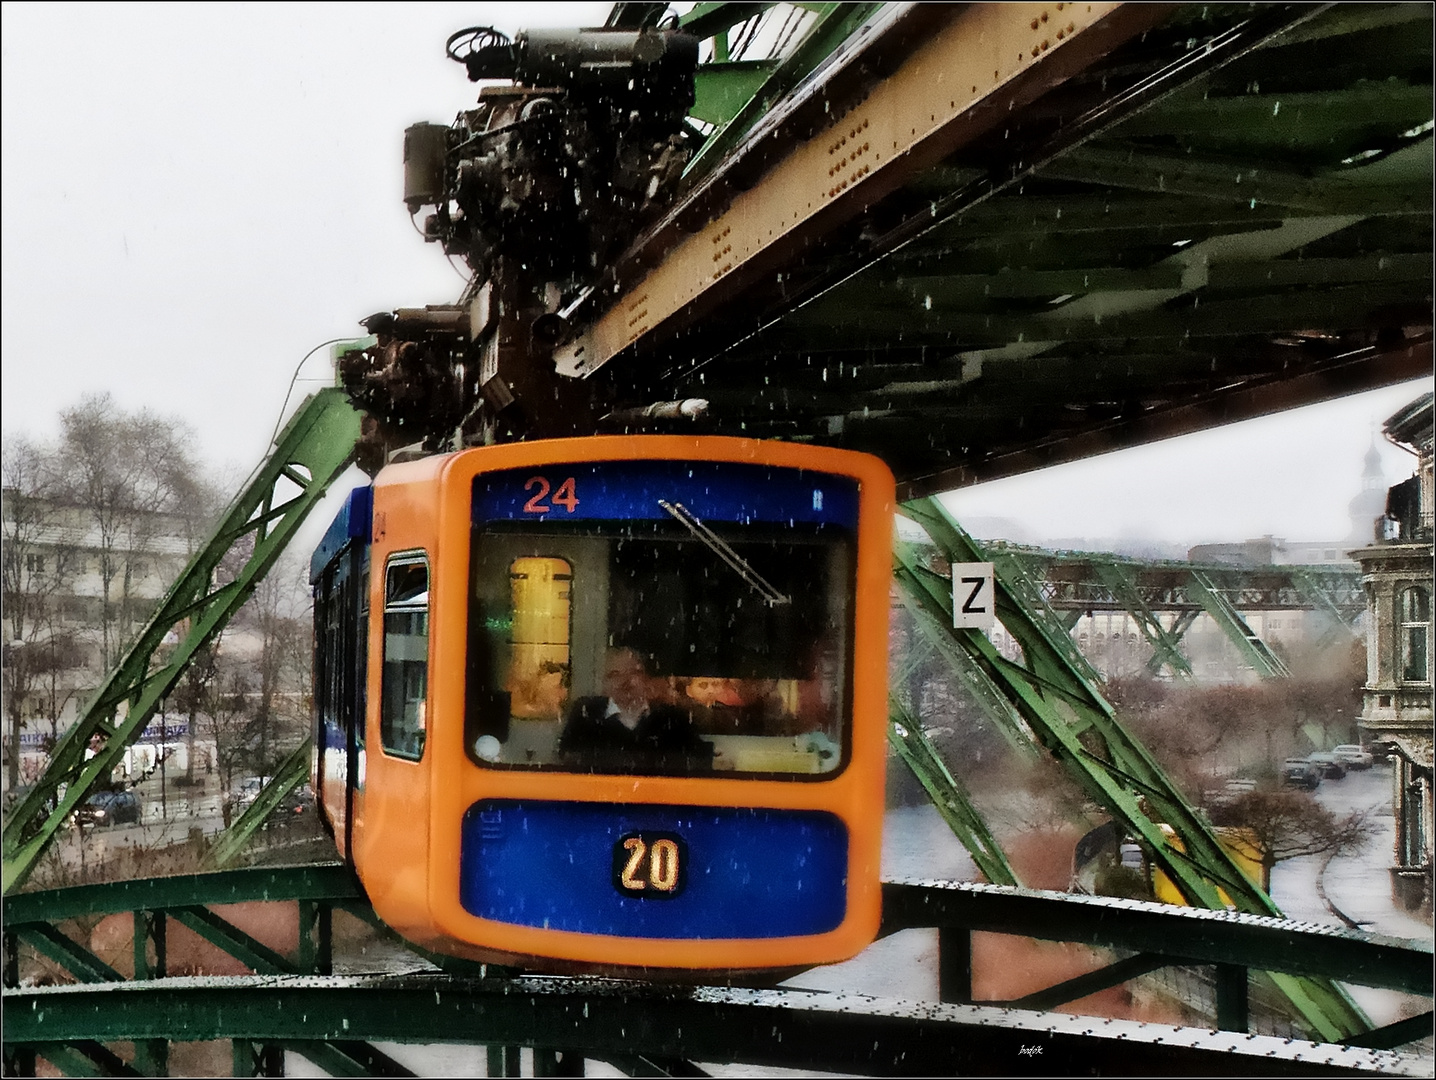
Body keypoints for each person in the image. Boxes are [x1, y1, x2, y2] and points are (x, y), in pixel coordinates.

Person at [557, 648, 712, 773]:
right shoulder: (586, 714)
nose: (625, 682)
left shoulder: (672, 719)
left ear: (646, 679)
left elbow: (695, 764)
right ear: (604, 684)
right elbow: (568, 760)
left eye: (634, 673)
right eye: (614, 674)